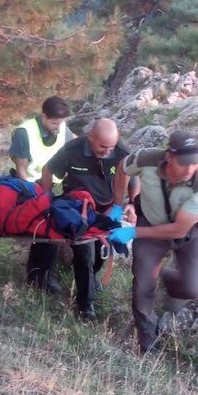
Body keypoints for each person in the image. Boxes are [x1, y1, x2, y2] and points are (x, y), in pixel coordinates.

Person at [109, 130, 198, 352]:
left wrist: (133, 233)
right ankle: (147, 339)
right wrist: (118, 204)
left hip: (188, 231)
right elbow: (122, 168)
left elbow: (178, 229)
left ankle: (166, 275)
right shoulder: (146, 158)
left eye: (195, 163)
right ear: (168, 156)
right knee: (143, 285)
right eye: (183, 163)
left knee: (192, 288)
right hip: (150, 219)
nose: (189, 169)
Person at [31, 118, 134, 318]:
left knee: (99, 254)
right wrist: (46, 197)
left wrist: (132, 203)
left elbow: (133, 178)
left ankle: (90, 277)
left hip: (107, 209)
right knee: (84, 254)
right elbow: (48, 169)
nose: (108, 151)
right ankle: (86, 307)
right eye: (103, 146)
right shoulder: (73, 149)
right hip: (78, 208)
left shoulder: (121, 151)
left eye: (111, 147)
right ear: (91, 137)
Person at [9, 96, 75, 183]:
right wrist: (30, 191)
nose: (58, 128)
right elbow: (21, 171)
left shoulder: (61, 127)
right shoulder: (24, 133)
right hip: (31, 185)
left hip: (55, 186)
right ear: (43, 116)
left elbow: (76, 144)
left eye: (61, 123)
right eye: (54, 123)